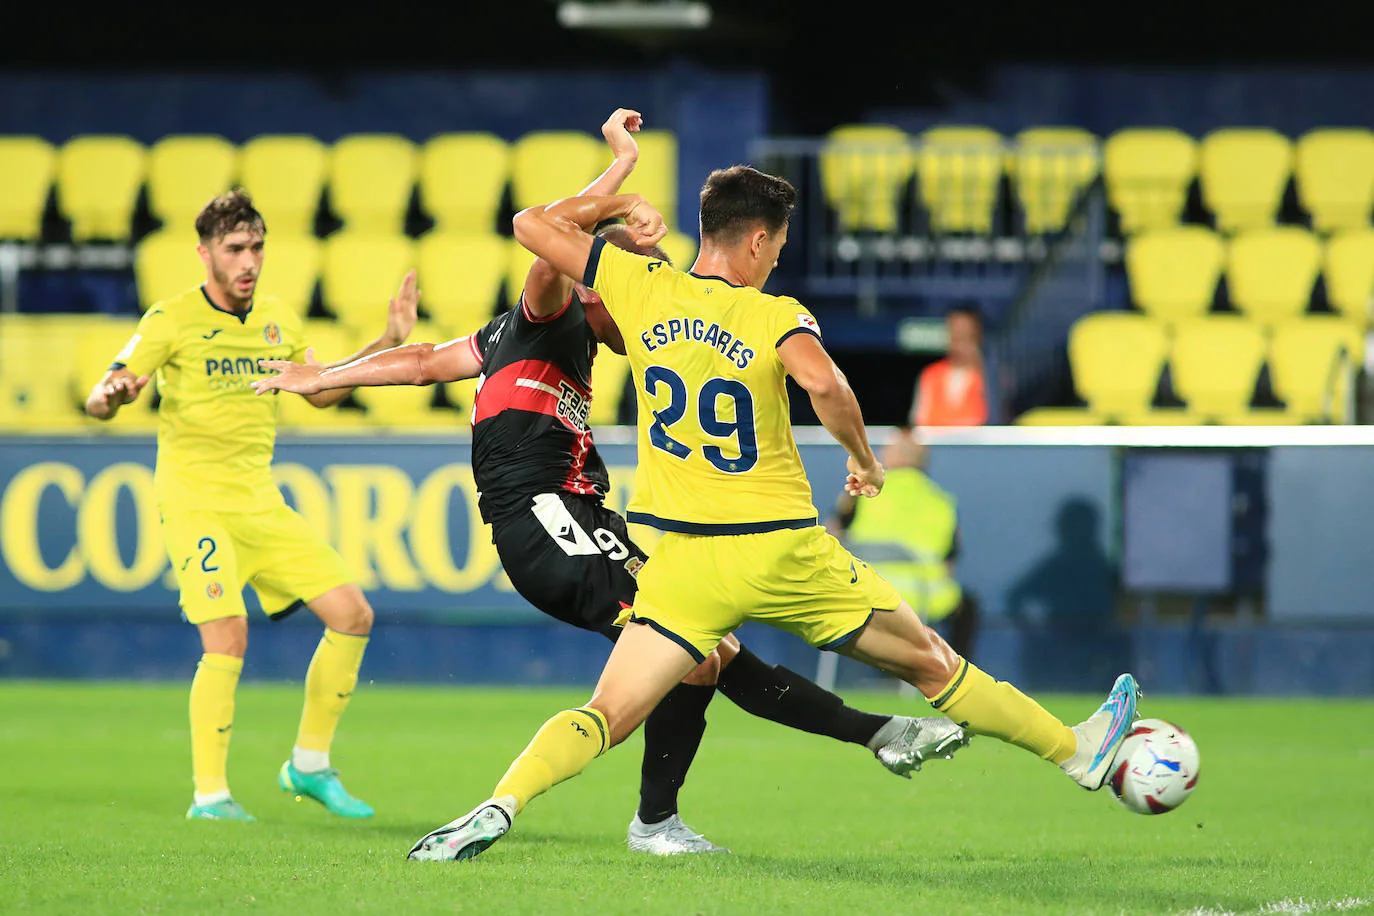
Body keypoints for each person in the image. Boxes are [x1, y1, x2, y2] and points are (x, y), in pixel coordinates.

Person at [253, 109, 957, 855]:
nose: (641, 306)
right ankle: (854, 741)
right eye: (625, 283)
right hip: (546, 516)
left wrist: (328, 376)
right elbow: (546, 238)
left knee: (705, 655)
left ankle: (675, 815)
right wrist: (619, 175)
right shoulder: (544, 312)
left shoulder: (527, 340)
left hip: (581, 516)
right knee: (695, 654)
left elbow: (424, 361)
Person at [399, 158, 1142, 863]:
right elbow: (825, 386)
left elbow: (532, 223)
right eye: (777, 246)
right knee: (931, 663)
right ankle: (1078, 753)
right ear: (757, 239)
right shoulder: (772, 312)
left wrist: (617, 194)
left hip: (682, 562)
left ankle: (503, 802)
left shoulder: (638, 286)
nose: (776, 260)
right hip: (781, 551)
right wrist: (862, 457)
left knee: (606, 713)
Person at [85, 189, 417, 822]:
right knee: (228, 636)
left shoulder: (278, 321)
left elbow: (320, 392)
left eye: (257, 247)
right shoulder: (171, 318)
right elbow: (102, 396)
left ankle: (310, 766)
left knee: (352, 614)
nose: (249, 261)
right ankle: (210, 797)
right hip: (194, 502)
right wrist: (115, 396)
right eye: (235, 249)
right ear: (205, 252)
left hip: (259, 500)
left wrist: (385, 339)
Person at [827, 425, 979, 662]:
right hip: (926, 598)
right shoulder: (942, 501)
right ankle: (954, 675)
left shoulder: (861, 492)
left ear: (889, 456)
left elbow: (832, 537)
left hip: (865, 591)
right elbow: (949, 565)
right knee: (967, 606)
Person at [910, 302, 987, 427]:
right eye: (954, 335)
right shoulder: (930, 375)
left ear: (977, 337)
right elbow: (917, 423)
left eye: (965, 336)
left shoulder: (990, 378)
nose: (959, 344)